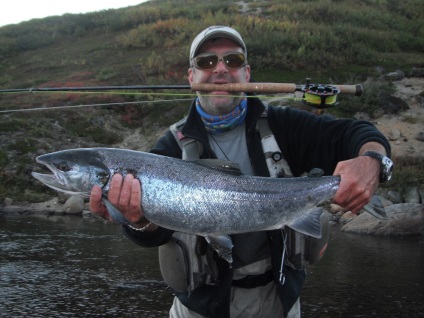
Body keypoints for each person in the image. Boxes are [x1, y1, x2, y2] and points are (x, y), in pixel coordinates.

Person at [89, 26, 392, 318]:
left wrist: (373, 161)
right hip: (200, 309)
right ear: (192, 77)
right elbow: (156, 235)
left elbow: (356, 131)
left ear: (246, 74)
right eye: (206, 62)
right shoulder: (168, 148)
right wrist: (139, 222)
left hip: (279, 301)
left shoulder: (284, 125)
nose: (220, 69)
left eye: (232, 60)